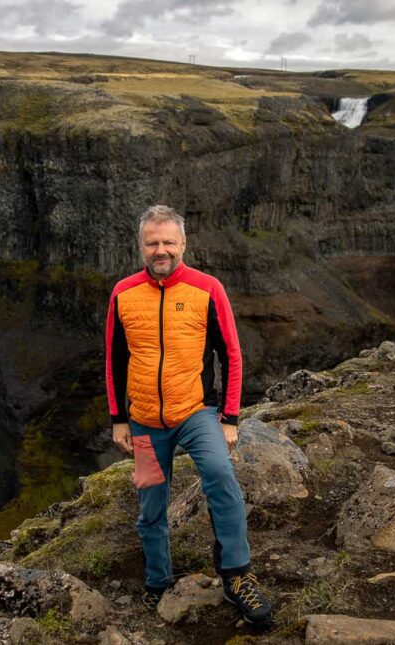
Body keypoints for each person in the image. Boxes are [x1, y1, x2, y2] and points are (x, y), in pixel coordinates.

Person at [104, 204, 273, 627]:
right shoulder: (123, 293)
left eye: (168, 242)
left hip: (196, 412)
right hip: (143, 419)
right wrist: (118, 418)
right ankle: (158, 583)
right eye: (152, 243)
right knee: (150, 504)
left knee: (220, 475)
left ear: (183, 244)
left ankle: (236, 576)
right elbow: (114, 359)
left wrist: (230, 417)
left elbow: (231, 355)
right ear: (142, 247)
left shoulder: (207, 288)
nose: (160, 250)